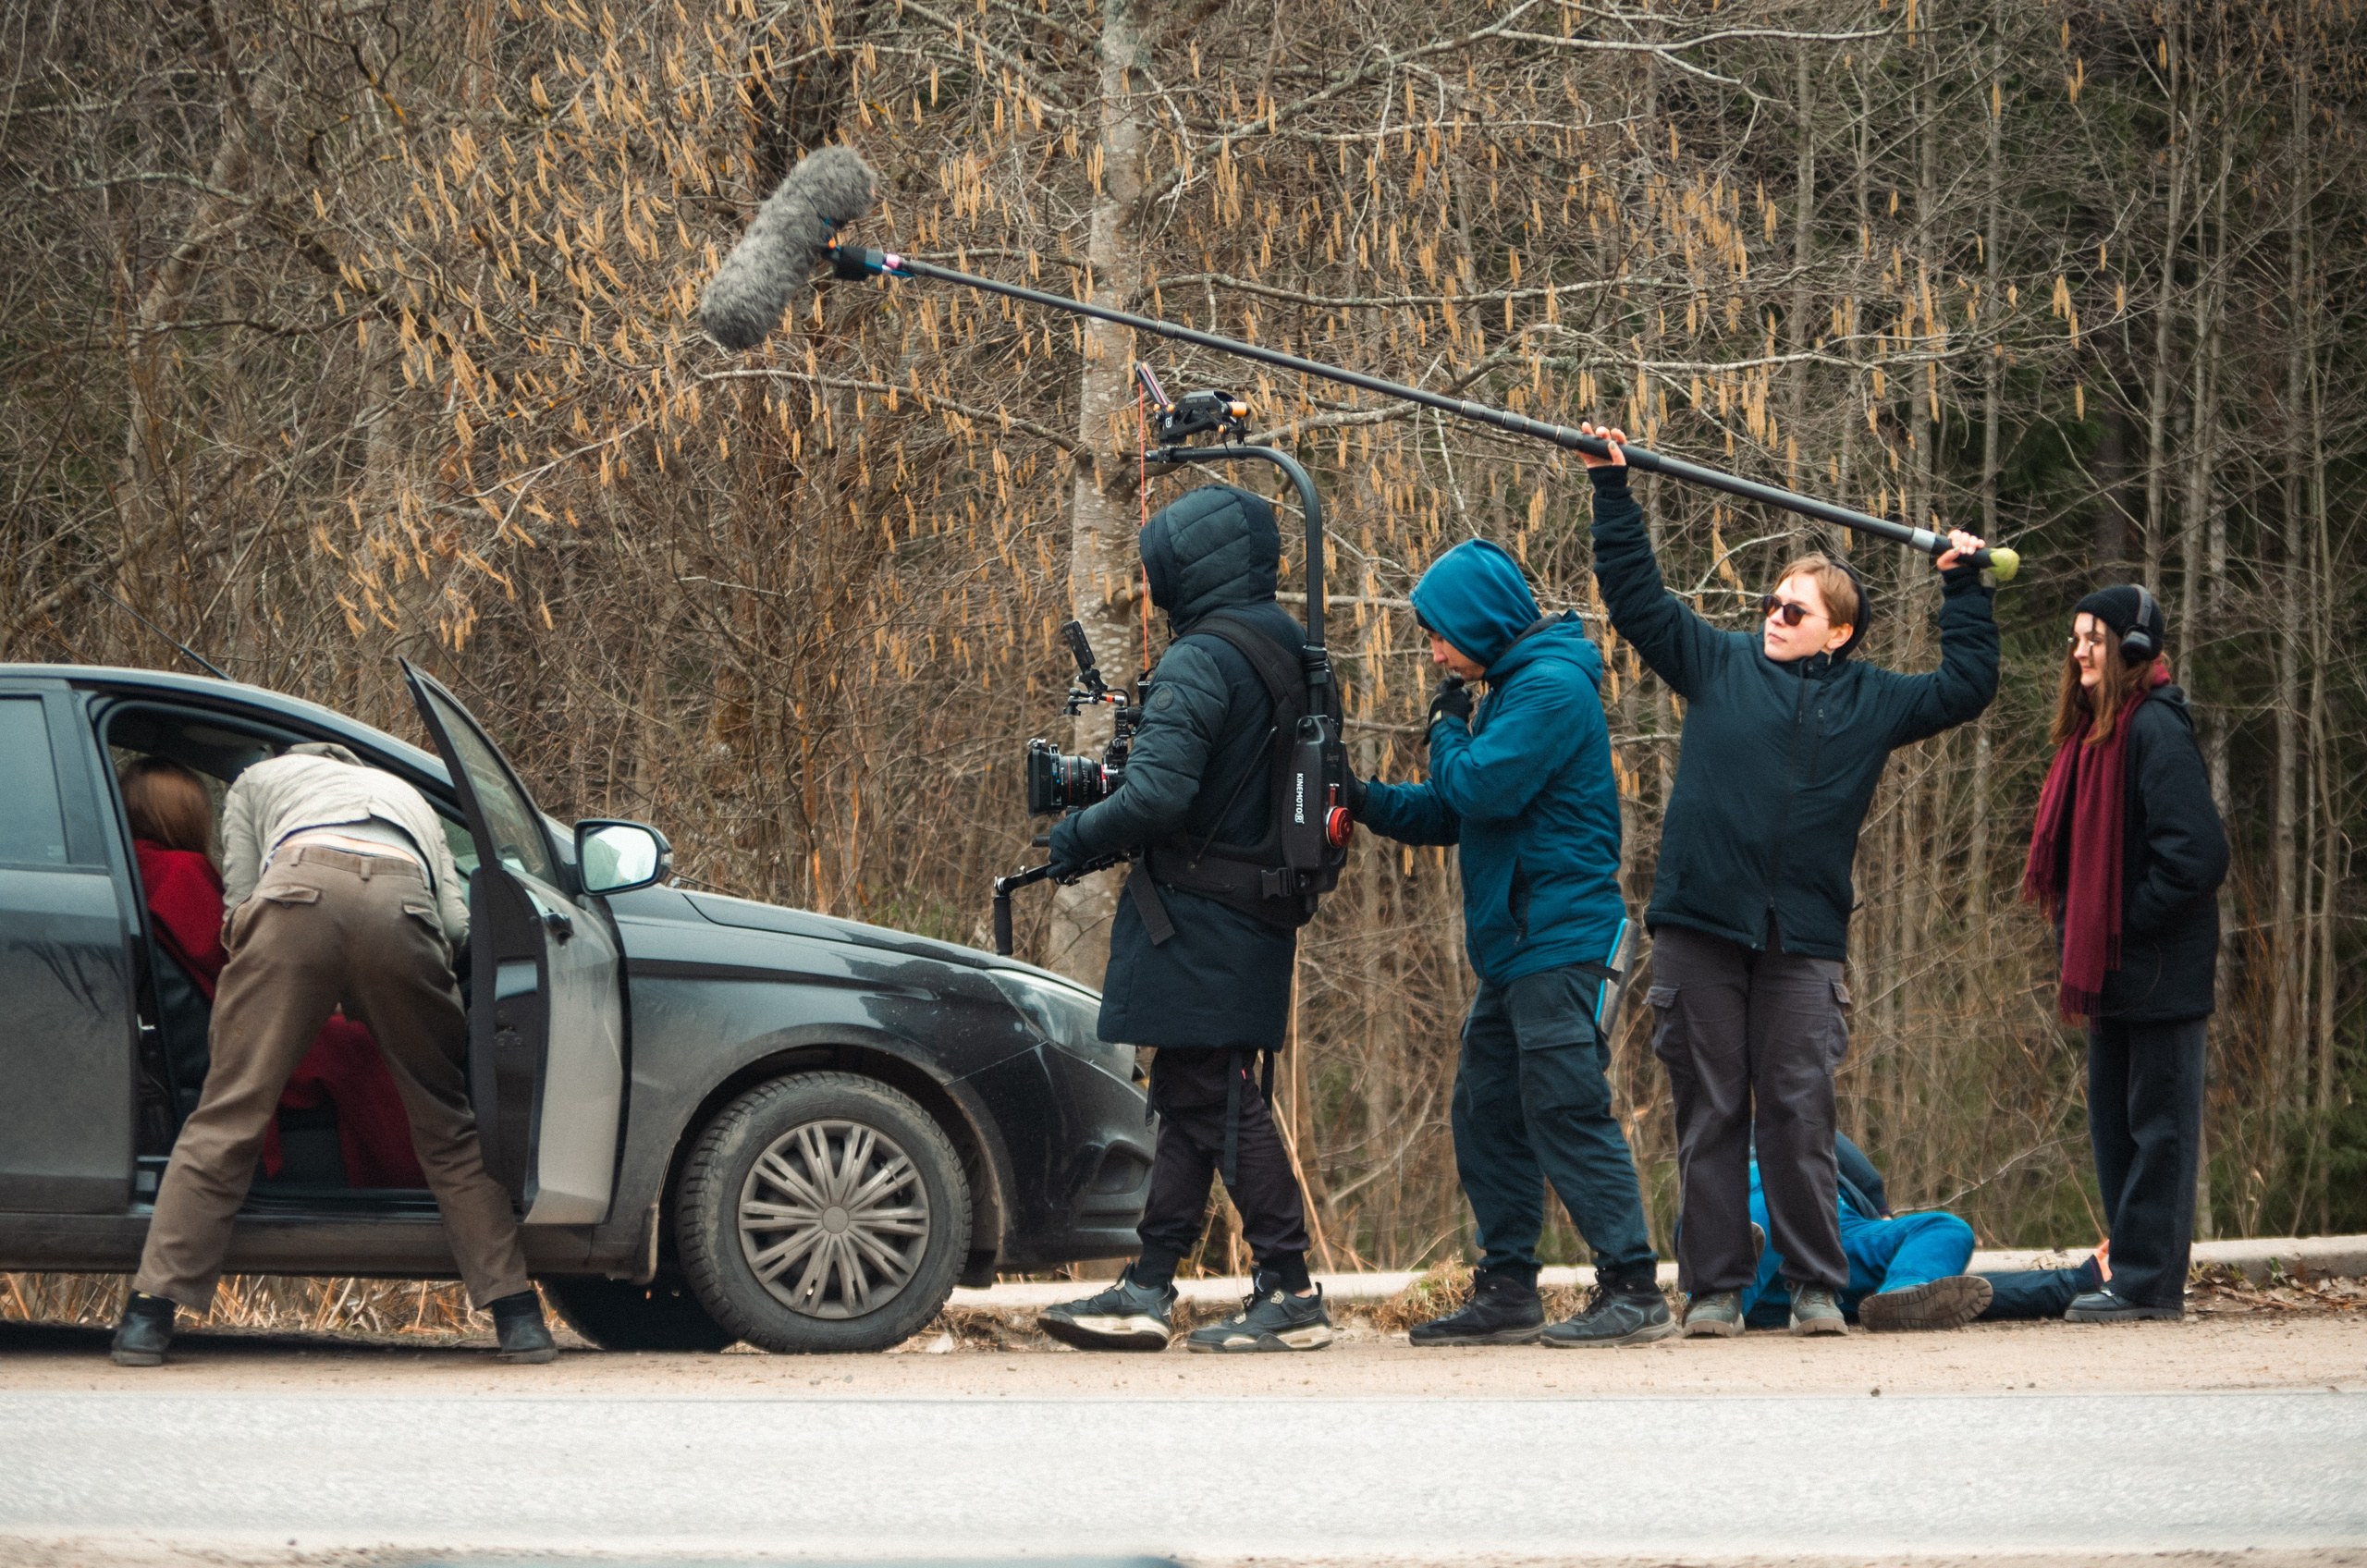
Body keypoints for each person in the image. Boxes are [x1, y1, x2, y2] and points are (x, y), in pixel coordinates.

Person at [1577, 422, 1999, 1339]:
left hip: (1802, 942)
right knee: (1709, 1112)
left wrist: (1962, 584)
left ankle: (1816, 1284)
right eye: (1770, 601)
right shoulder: (1718, 663)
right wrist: (1613, 491)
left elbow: (1967, 684)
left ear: (1837, 632)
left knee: (1800, 1115)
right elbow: (1639, 601)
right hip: (1698, 929)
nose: (1772, 614)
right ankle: (1715, 1289)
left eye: (1794, 609)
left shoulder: (1874, 700)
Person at [110, 741, 554, 1366]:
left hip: (294, 891)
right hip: (401, 906)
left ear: (298, 760)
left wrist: (299, 985)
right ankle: (519, 1317)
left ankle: (148, 1317)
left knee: (228, 1115)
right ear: (351, 766)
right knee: (446, 1122)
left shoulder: (258, 780)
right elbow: (456, 927)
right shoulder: (411, 801)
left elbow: (236, 909)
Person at [1343, 539, 1669, 1347]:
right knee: (1486, 1111)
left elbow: (1480, 783)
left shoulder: (1551, 689)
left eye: (1440, 634)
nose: (1435, 652)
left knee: (1564, 1105)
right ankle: (1508, 1291)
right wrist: (1362, 799)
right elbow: (1459, 812)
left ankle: (1632, 1287)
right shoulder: (1510, 690)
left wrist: (1444, 726)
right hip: (1518, 947)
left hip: (1562, 940)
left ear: (1480, 622)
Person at [1036, 485, 1331, 1354]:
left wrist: (1076, 834)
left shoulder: (1204, 658)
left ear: (1187, 565)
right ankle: (1151, 1284)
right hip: (1254, 904)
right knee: (1194, 1093)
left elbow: (1160, 792)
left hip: (1203, 913)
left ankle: (1289, 1287)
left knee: (1221, 1099)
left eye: (1157, 562)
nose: (1150, 581)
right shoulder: (1286, 645)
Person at [2022, 585, 2226, 1323]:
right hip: (2113, 979)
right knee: (2115, 1129)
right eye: (2075, 637)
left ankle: (2148, 1285)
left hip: (2160, 976)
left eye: (2094, 638)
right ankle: (2130, 1274)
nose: (2079, 651)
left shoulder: (2155, 732)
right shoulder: (2093, 739)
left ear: (2131, 650)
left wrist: (2121, 922)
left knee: (2159, 1132)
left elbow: (2197, 858)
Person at [121, 757, 426, 1188]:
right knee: (364, 1040)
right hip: (250, 1020)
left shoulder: (138, 868)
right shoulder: (179, 872)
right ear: (185, 815)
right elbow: (242, 958)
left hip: (230, 1011)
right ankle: (410, 1182)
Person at [1737, 1134, 1992, 1331]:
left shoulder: (1790, 1123)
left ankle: (1901, 1295)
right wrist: (1880, 1203)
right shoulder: (1741, 1136)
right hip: (1757, 1193)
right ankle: (1719, 1299)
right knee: (1784, 1181)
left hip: (1832, 1229)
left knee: (1946, 1227)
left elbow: (1828, 1136)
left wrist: (1879, 1208)